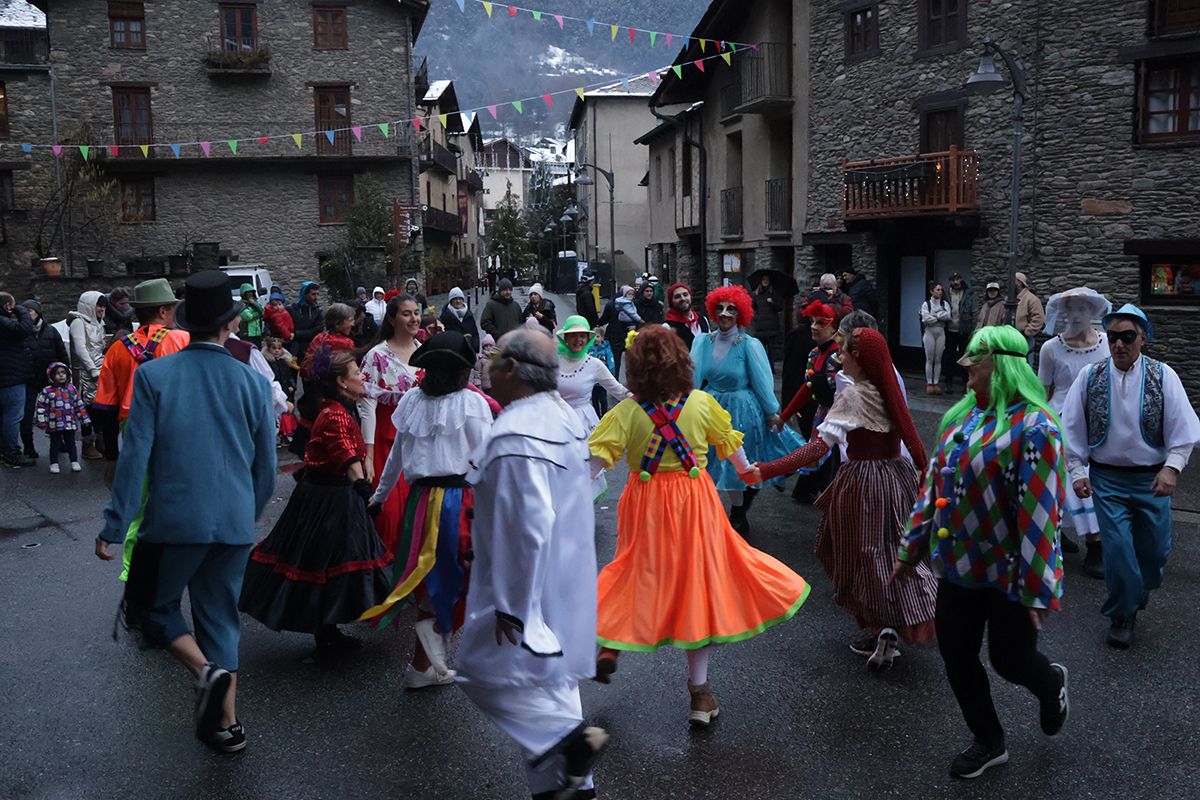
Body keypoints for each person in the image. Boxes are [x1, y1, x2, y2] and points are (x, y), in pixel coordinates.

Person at [590, 326, 809, 724]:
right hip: (695, 502)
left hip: (645, 502)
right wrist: (750, 473)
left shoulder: (623, 413)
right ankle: (700, 696)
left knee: (634, 572)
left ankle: (609, 642)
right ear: (682, 362)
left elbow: (589, 468)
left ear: (635, 368)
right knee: (697, 587)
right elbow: (739, 457)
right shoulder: (703, 404)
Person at [97, 270, 276, 754]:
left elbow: (134, 458)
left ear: (181, 318)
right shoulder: (253, 383)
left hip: (174, 522)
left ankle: (205, 673)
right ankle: (228, 726)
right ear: (231, 322)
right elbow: (267, 467)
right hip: (235, 523)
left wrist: (115, 525)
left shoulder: (154, 376)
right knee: (220, 621)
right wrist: (248, 514)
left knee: (150, 610)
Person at [895, 325, 1069, 779]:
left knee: (1009, 661)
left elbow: (1040, 516)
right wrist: (910, 549)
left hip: (1009, 574)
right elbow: (932, 488)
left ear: (1001, 367)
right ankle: (988, 740)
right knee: (956, 652)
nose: (968, 376)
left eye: (975, 367)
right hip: (958, 568)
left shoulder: (1037, 428)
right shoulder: (963, 420)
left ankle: (1050, 684)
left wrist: (1037, 590)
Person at [456, 328, 608, 800]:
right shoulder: (559, 416)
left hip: (525, 589)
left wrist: (513, 605)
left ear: (513, 369)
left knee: (482, 674)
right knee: (552, 682)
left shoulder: (514, 433)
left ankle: (567, 742)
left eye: (494, 356)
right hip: (562, 578)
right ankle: (569, 785)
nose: (486, 362)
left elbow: (531, 525)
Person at [748, 328, 935, 671]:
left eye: (845, 352)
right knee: (895, 550)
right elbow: (912, 438)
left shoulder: (853, 397)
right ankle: (899, 619)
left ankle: (881, 625)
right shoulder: (889, 389)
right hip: (897, 479)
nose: (839, 357)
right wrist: (923, 473)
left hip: (862, 482)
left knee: (856, 554)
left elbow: (818, 448)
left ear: (860, 361)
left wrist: (768, 469)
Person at [1059, 304, 1200, 649]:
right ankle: (1122, 614)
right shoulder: (1090, 377)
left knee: (1155, 551)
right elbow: (1072, 427)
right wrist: (1077, 470)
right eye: (1114, 337)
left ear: (1143, 339)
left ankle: (1138, 588)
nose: (1119, 344)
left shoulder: (1163, 375)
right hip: (1107, 480)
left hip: (1152, 480)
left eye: (1128, 337)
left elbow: (1184, 427)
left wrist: (1172, 467)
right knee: (1119, 550)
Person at [359, 332, 493, 687]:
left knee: (430, 576)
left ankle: (427, 665)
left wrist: (380, 496)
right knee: (456, 578)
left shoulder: (412, 402)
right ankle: (424, 664)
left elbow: (396, 457)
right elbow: (487, 459)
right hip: (458, 503)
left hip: (420, 503)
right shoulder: (472, 403)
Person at [239, 347, 393, 652]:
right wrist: (367, 495)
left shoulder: (338, 408)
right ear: (341, 382)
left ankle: (329, 628)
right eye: (355, 372)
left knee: (328, 562)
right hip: (329, 499)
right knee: (328, 562)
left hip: (327, 494)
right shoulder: (334, 414)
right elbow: (347, 457)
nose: (363, 375)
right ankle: (326, 631)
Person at [690, 286, 806, 535]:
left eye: (731, 309)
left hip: (742, 410)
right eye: (720, 308)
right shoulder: (702, 342)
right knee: (709, 460)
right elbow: (693, 378)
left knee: (738, 461)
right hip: (712, 408)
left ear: (740, 313)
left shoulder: (749, 345)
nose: (724, 314)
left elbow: (763, 382)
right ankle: (718, 511)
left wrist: (772, 412)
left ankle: (738, 515)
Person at [1038, 287, 1111, 575]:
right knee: (1067, 478)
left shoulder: (1106, 343)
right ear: (1063, 312)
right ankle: (1092, 544)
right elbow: (1042, 391)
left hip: (1099, 419)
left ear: (1092, 312)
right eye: (1071, 308)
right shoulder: (1051, 348)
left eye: (1083, 308)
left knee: (1097, 477)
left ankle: (1091, 537)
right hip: (1062, 419)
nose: (1077, 314)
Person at [93, 278, 189, 477]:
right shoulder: (183, 340)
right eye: (172, 309)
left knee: (139, 487)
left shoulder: (117, 348)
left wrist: (112, 454)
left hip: (132, 425)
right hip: (175, 422)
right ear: (162, 311)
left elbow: (106, 405)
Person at [359, 295, 421, 554]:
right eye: (406, 313)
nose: (414, 318)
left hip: (419, 439)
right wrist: (369, 455)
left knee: (417, 510)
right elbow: (367, 405)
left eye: (416, 313)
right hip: (387, 439)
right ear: (392, 318)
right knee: (388, 513)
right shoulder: (377, 356)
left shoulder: (425, 351)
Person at [555, 315, 628, 500]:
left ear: (588, 339)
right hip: (556, 422)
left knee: (582, 471)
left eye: (582, 336)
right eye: (573, 335)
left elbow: (618, 390)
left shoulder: (594, 364)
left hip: (583, 425)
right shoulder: (553, 362)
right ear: (565, 338)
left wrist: (645, 401)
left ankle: (580, 514)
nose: (578, 340)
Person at [779, 301, 843, 504]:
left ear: (834, 327)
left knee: (833, 463)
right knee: (818, 459)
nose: (814, 326)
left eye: (820, 323)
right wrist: (784, 416)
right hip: (823, 416)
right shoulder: (815, 353)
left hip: (840, 421)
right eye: (812, 322)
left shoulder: (838, 355)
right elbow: (807, 389)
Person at [18, 299, 67, 462]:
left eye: (30, 312)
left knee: (57, 411)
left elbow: (61, 353)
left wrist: (64, 375)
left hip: (50, 379)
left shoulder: (51, 331)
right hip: (29, 379)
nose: (27, 315)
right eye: (24, 312)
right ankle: (29, 446)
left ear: (37, 313)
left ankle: (59, 442)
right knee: (27, 414)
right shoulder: (20, 332)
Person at [68, 291, 107, 460]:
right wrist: (92, 369)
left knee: (100, 408)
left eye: (103, 305)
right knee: (87, 409)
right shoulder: (78, 322)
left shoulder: (98, 323)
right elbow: (80, 348)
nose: (101, 309)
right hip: (86, 373)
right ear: (89, 305)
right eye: (99, 305)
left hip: (100, 371)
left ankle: (99, 440)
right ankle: (87, 444)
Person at [34, 361, 90, 474]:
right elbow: (41, 407)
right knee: (55, 444)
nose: (61, 375)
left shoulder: (72, 389)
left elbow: (79, 405)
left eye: (63, 373)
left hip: (69, 422)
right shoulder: (47, 391)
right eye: (57, 373)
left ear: (67, 375)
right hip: (54, 423)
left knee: (71, 443)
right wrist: (41, 421)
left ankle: (74, 460)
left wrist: (84, 418)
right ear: (51, 376)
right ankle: (54, 462)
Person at [1, 293, 35, 468]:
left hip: (7, 376)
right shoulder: (4, 322)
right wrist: (20, 310)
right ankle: (11, 453)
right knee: (13, 416)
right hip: (10, 377)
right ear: (7, 306)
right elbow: (24, 329)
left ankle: (5, 450)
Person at [597, 285, 641, 380]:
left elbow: (604, 319)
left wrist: (597, 323)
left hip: (614, 335)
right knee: (630, 360)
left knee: (615, 361)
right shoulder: (633, 304)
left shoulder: (611, 304)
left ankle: (615, 380)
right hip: (630, 335)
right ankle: (631, 381)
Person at [262, 337, 298, 445]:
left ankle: (286, 434)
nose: (277, 351)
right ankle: (277, 435)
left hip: (285, 391)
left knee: (286, 413)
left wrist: (292, 385)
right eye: (274, 348)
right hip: (276, 392)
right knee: (277, 414)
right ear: (268, 349)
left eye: (279, 348)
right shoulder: (268, 363)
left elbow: (289, 375)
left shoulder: (284, 362)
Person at [943, 272, 976, 393]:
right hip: (950, 330)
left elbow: (974, 312)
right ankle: (948, 382)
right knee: (949, 356)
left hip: (964, 330)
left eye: (957, 279)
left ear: (961, 279)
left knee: (964, 356)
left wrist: (973, 331)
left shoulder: (969, 293)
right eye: (953, 280)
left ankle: (965, 382)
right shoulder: (946, 293)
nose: (956, 282)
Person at [920, 281, 951, 394]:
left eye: (941, 290)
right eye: (937, 290)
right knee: (929, 358)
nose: (940, 292)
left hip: (940, 332)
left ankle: (936, 382)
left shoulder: (944, 304)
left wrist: (935, 315)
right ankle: (929, 383)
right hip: (929, 332)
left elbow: (948, 316)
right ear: (931, 291)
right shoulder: (926, 304)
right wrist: (939, 317)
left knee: (938, 359)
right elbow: (925, 319)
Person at [662, 282, 709, 350]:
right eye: (677, 296)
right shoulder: (667, 327)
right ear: (671, 301)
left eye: (685, 294)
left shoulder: (703, 320)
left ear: (690, 296)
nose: (683, 298)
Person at [750, 274, 784, 363]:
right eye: (763, 279)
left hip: (771, 326)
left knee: (771, 348)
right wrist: (756, 318)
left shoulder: (774, 293)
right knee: (761, 348)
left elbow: (780, 307)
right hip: (760, 325)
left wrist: (772, 303)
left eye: (767, 280)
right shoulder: (757, 294)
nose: (765, 281)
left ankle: (771, 366)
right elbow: (753, 307)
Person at [1014, 272, 1045, 361]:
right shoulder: (1010, 299)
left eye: (1013, 281)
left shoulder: (1031, 299)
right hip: (1009, 338)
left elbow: (1038, 319)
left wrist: (1026, 333)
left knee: (1024, 366)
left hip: (1024, 339)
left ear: (1019, 282)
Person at [439, 287, 481, 352]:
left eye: (460, 298)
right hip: (453, 352)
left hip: (469, 352)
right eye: (455, 299)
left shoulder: (469, 315)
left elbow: (475, 333)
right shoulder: (445, 317)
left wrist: (475, 347)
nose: (458, 301)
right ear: (451, 301)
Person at [288, 281, 323, 358]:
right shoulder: (292, 309)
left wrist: (297, 334)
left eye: (317, 294)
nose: (316, 297)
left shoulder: (317, 311)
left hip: (312, 347)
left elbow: (317, 330)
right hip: (295, 348)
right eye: (313, 294)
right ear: (304, 294)